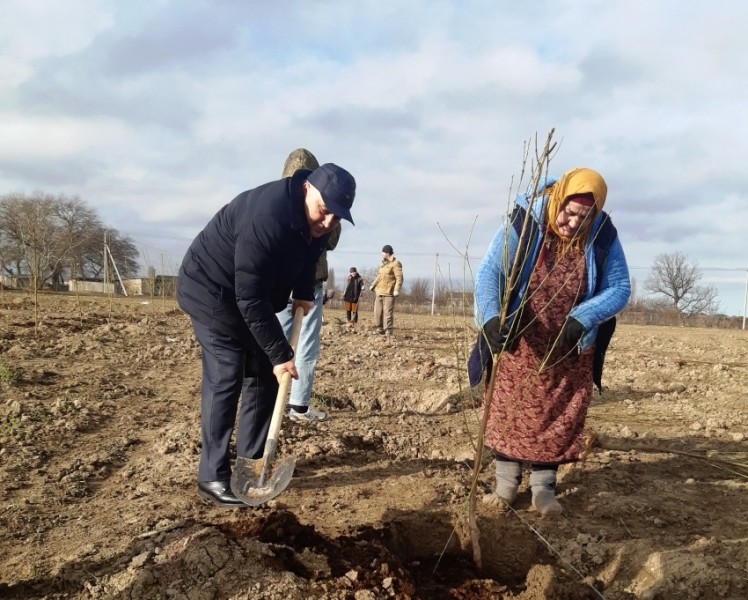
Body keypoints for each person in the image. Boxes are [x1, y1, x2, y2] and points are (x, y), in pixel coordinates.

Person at [177, 162, 356, 507]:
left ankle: (251, 463)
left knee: (263, 374)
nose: (328, 222)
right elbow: (249, 297)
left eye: (337, 216)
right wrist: (281, 354)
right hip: (211, 290)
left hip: (246, 295)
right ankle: (211, 477)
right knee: (227, 371)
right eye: (324, 212)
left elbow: (311, 250)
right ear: (307, 190)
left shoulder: (315, 222)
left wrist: (303, 288)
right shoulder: (267, 218)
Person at [472, 167, 630, 516]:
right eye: (569, 212)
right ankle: (506, 483)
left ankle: (544, 489)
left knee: (555, 417)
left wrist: (583, 317)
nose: (573, 223)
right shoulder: (526, 222)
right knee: (510, 410)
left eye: (584, 218)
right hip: (519, 343)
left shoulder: (603, 235)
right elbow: (491, 272)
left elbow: (619, 287)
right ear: (558, 200)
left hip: (567, 349)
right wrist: (490, 319)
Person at [276, 149, 341, 423]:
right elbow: (332, 240)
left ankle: (272, 407)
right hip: (304, 284)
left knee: (275, 343)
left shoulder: (279, 200)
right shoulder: (314, 201)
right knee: (304, 347)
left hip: (283, 284)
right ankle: (297, 406)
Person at [370, 245, 403, 337]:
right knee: (377, 312)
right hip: (379, 291)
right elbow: (379, 276)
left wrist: (396, 290)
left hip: (389, 293)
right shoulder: (383, 264)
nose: (381, 254)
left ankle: (388, 330)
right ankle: (379, 328)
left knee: (387, 313)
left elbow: (399, 278)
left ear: (387, 253)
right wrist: (373, 284)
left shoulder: (396, 263)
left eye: (383, 252)